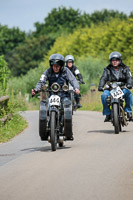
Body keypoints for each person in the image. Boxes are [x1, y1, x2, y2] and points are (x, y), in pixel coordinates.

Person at [98, 51, 132, 122]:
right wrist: (101, 86)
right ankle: (108, 114)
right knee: (104, 96)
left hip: (122, 88)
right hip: (110, 88)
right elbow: (103, 78)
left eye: (116, 60)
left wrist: (129, 84)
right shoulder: (107, 69)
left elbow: (129, 77)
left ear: (120, 60)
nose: (115, 62)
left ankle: (128, 112)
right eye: (113, 60)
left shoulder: (125, 68)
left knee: (129, 94)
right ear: (111, 61)